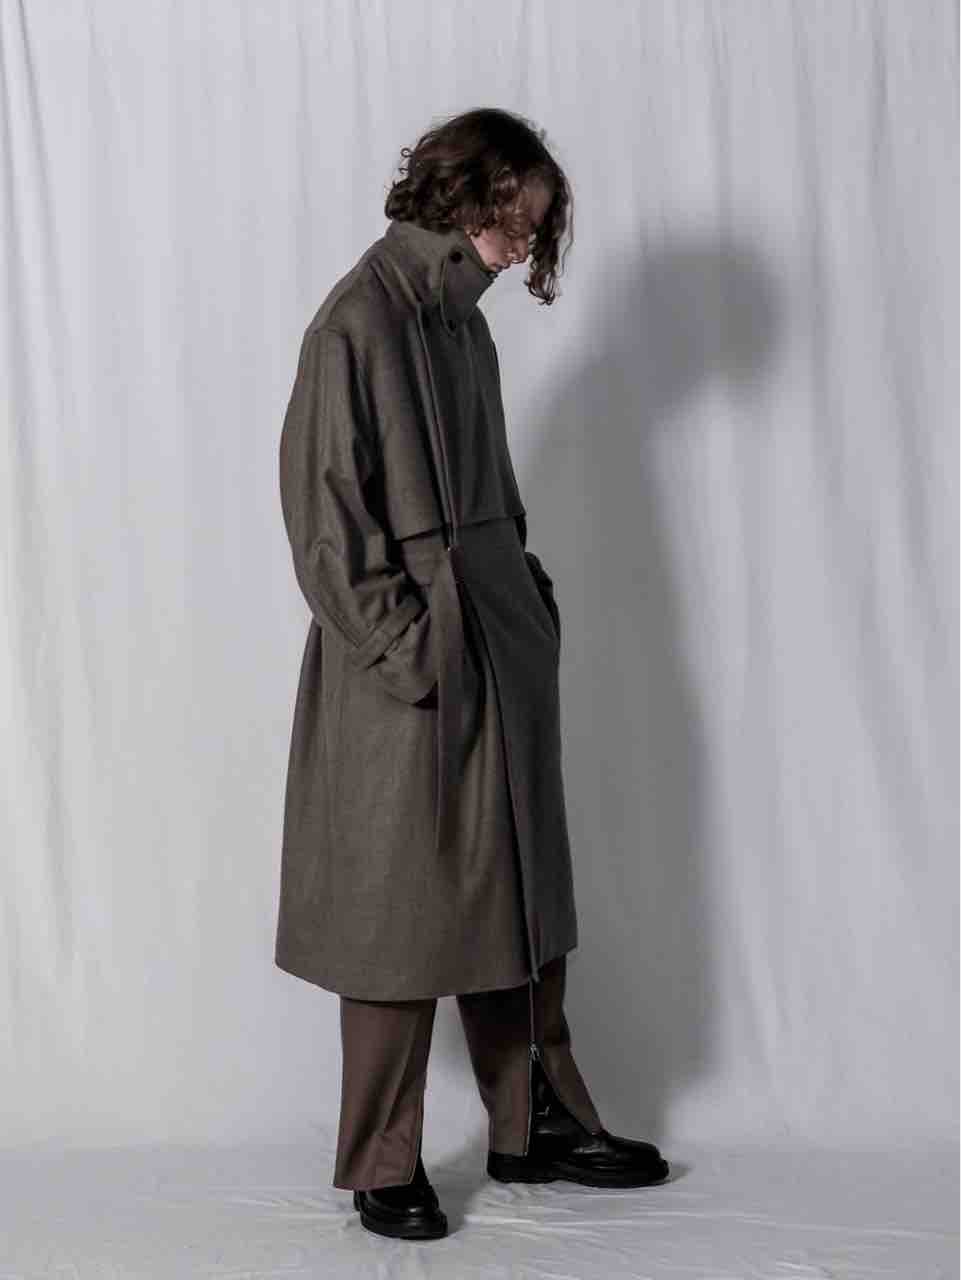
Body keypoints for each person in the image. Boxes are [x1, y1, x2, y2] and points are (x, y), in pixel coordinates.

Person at [275, 107, 669, 1241]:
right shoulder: (355, 324)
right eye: (516, 215)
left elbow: (494, 487)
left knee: (522, 889)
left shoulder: (464, 328)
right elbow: (325, 528)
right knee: (394, 912)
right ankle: (380, 1159)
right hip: (411, 659)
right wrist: (408, 649)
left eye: (537, 223)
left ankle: (533, 1120)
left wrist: (523, 599)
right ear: (463, 195)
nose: (525, 239)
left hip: (499, 638)